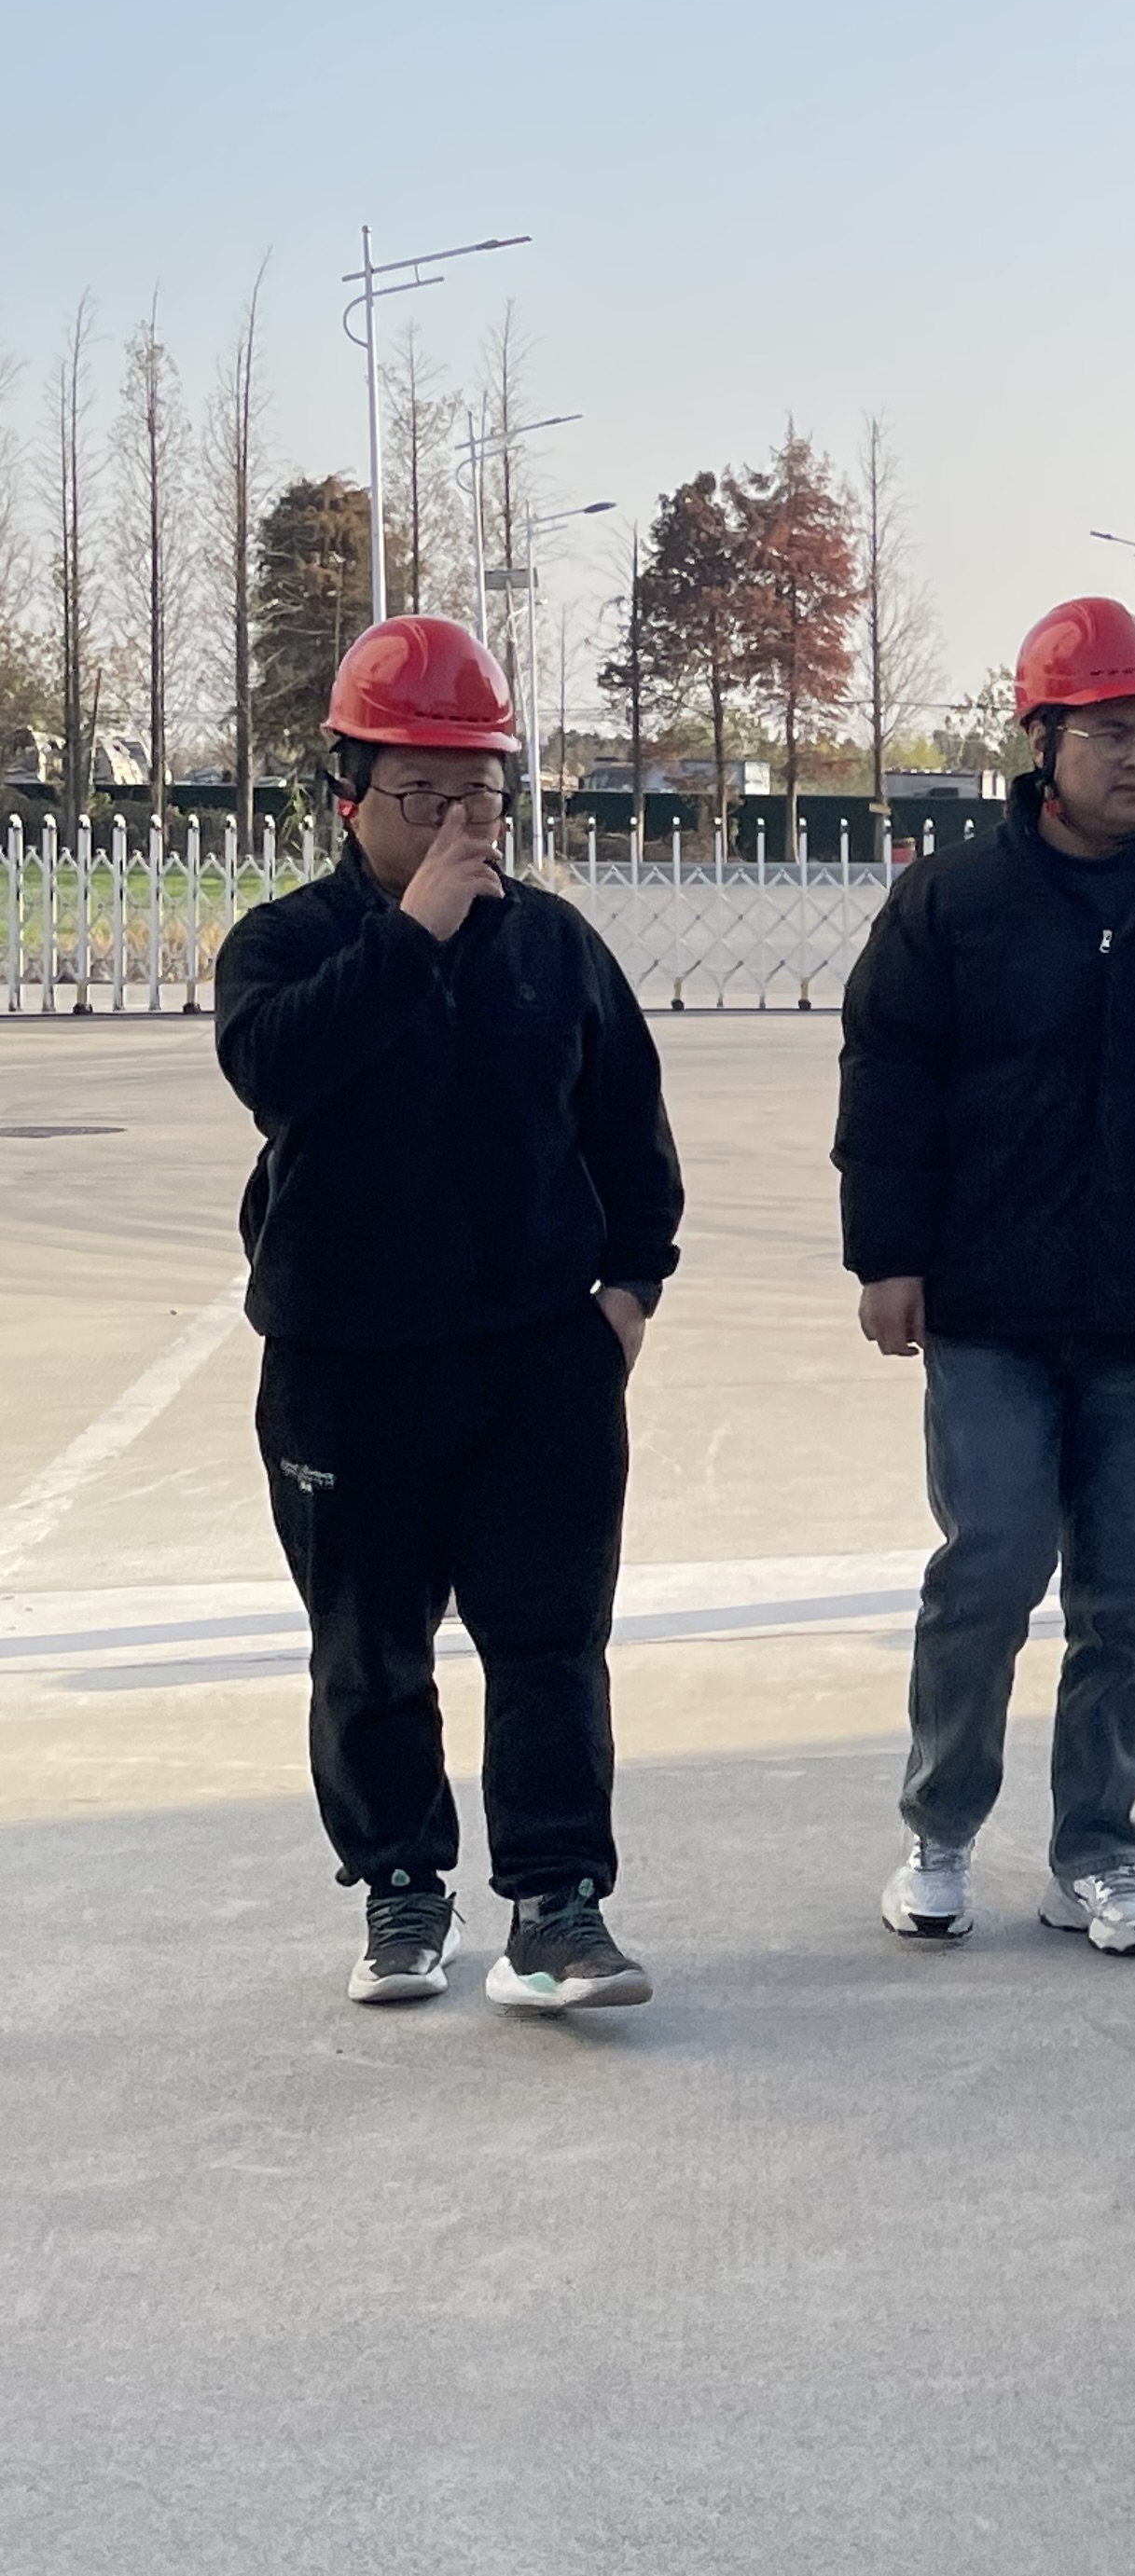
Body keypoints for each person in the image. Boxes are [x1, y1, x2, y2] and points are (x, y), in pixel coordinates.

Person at [836, 595, 1135, 1961]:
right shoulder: (954, 903)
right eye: (1111, 733)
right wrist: (888, 1255)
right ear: (1041, 743)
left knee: (1123, 1599)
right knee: (991, 1565)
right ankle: (939, 1835)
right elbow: (886, 1078)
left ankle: (1096, 1854)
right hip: (986, 1307)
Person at [215, 615, 681, 2016]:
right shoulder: (284, 944)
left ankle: (557, 1905)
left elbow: (629, 1129)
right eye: (421, 792)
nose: (458, 821)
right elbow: (278, 1071)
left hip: (537, 1359)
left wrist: (628, 1292)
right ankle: (401, 1885)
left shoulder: (552, 944)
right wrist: (412, 935)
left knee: (549, 1644)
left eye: (479, 791)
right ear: (347, 793)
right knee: (369, 1651)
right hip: (345, 1362)